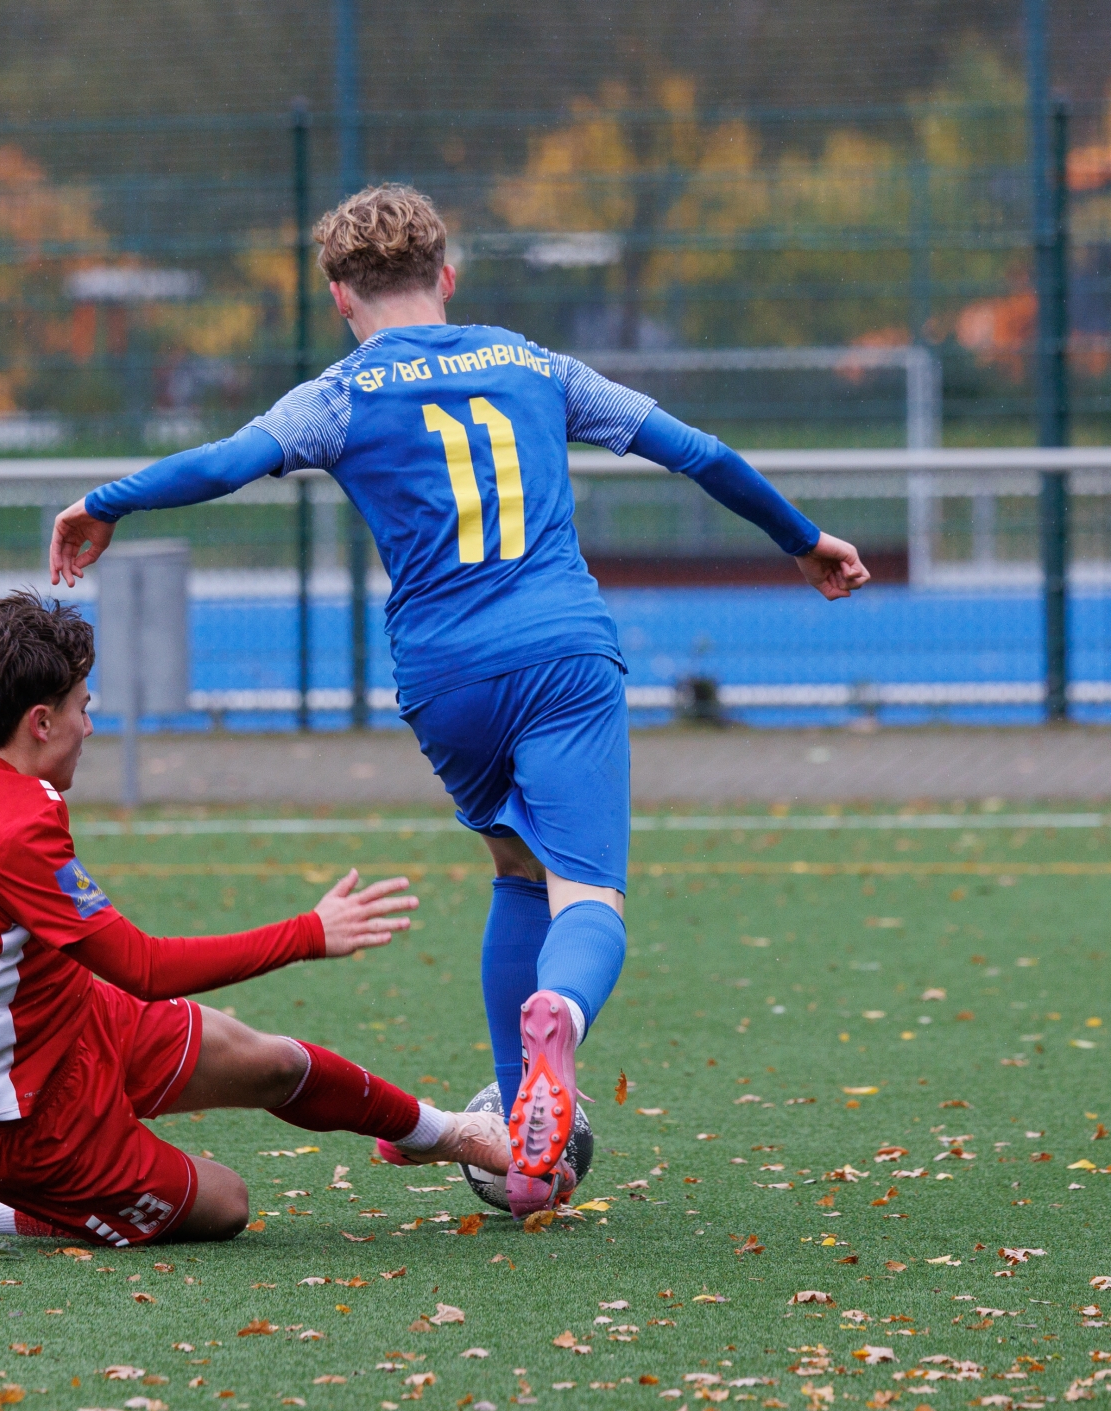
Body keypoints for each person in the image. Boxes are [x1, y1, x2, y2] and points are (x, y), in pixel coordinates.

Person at [46, 185, 870, 1215]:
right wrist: (803, 538)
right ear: (447, 275)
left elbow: (227, 464)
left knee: (516, 868)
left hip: (444, 679)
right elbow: (695, 452)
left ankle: (525, 1139)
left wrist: (104, 502)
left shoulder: (339, 395)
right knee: (587, 896)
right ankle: (559, 1018)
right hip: (562, 653)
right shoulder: (536, 365)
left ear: (339, 295)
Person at [0, 592, 513, 1243]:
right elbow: (142, 966)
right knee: (227, 1202)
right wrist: (307, 933)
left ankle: (446, 1133)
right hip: (24, 1126)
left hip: (75, 1023)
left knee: (273, 1062)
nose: (91, 723)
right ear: (41, 722)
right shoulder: (15, 829)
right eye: (82, 706)